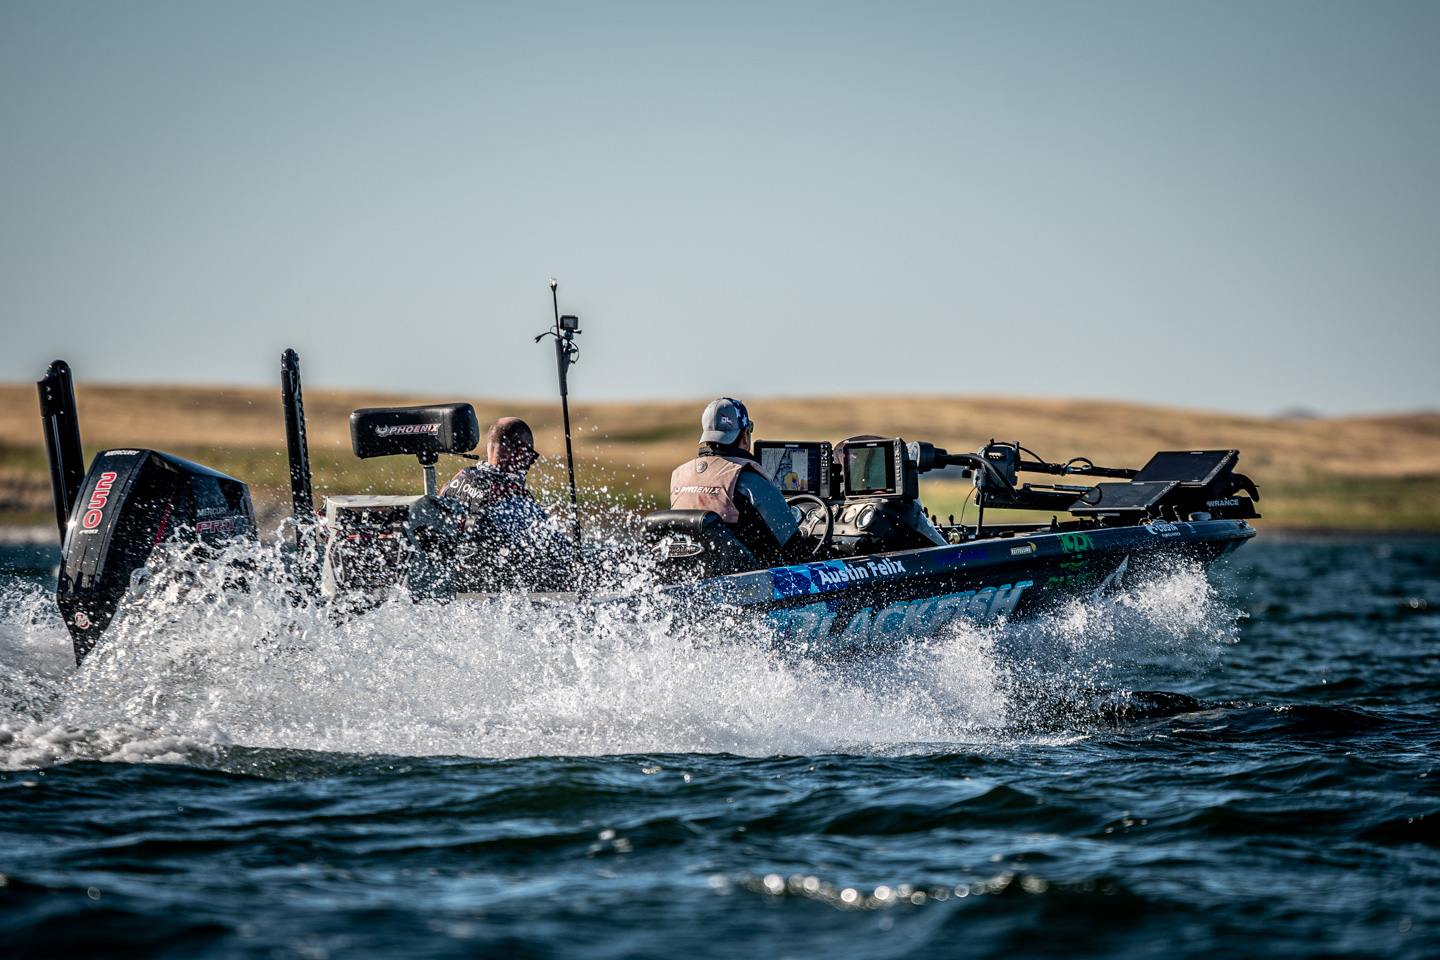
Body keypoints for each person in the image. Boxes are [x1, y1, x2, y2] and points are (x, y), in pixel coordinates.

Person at [439, 417, 575, 590]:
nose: (530, 463)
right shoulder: (514, 500)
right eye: (531, 456)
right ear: (521, 453)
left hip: (455, 579)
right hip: (493, 586)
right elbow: (561, 552)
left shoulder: (457, 480)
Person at [669, 398, 801, 564]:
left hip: (690, 572)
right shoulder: (751, 481)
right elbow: (796, 551)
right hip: (746, 577)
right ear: (744, 436)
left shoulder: (678, 476)